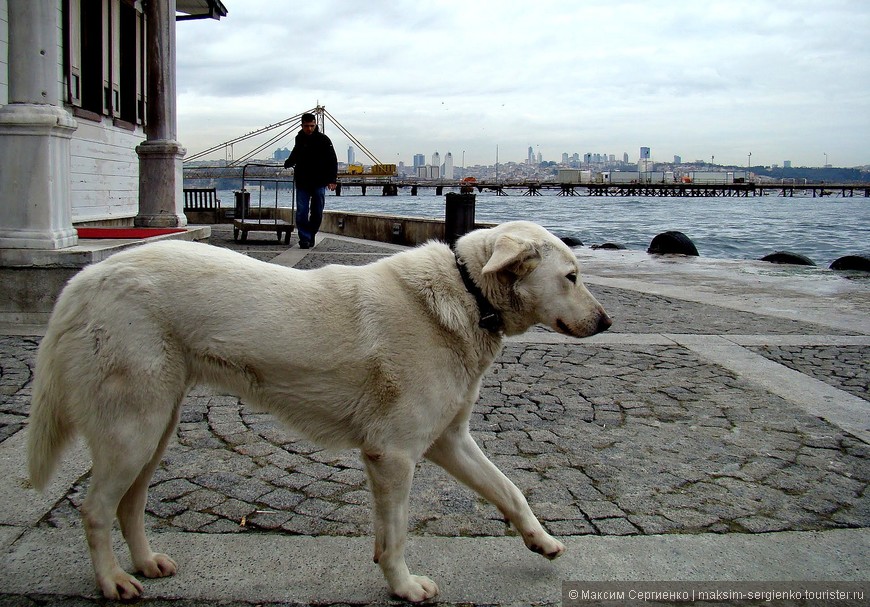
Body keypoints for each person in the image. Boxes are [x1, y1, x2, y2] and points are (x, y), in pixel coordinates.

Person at [283, 113, 338, 248]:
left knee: (317, 211)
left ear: (315, 125)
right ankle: (305, 239)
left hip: (319, 181)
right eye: (306, 126)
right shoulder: (299, 139)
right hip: (302, 181)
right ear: (302, 125)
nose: (309, 129)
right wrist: (288, 163)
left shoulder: (324, 140)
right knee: (301, 211)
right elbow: (296, 154)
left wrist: (332, 180)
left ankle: (311, 233)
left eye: (312, 126)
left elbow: (332, 160)